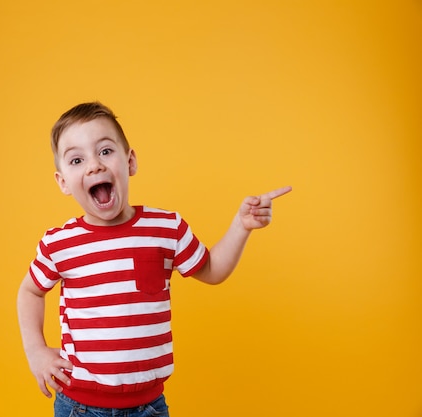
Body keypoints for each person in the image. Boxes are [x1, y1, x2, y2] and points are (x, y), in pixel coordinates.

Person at [17, 102, 292, 417]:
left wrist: (241, 226)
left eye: (105, 152)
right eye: (77, 160)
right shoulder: (60, 243)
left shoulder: (166, 228)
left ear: (130, 161)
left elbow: (213, 270)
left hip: (148, 407)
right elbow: (30, 291)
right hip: (80, 406)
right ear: (63, 181)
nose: (94, 166)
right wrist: (36, 350)